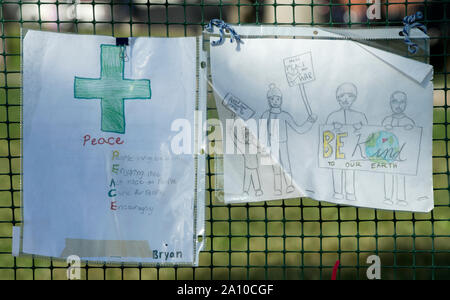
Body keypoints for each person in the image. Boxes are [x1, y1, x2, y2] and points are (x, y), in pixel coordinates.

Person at [261, 83, 317, 195]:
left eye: (277, 98)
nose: (275, 101)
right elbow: (262, 132)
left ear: (281, 100)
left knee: (286, 165)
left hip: (283, 143)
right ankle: (277, 188)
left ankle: (290, 185)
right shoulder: (266, 115)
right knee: (274, 165)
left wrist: (309, 122)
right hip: (271, 144)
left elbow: (299, 129)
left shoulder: (285, 115)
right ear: (268, 101)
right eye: (272, 99)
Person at [326, 82, 368, 201]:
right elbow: (325, 136)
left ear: (354, 98)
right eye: (342, 96)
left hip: (353, 152)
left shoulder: (360, 116)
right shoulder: (332, 116)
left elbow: (367, 136)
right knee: (337, 170)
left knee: (351, 170)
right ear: (337, 98)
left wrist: (359, 130)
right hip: (336, 152)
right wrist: (334, 129)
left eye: (349, 96)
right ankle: (338, 192)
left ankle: (350, 192)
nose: (345, 99)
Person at [381, 91, 415, 206]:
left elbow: (413, 140)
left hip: (402, 156)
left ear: (406, 104)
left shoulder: (408, 121)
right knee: (388, 175)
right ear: (390, 103)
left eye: (402, 102)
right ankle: (387, 197)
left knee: (401, 176)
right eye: (395, 101)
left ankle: (401, 198)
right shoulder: (386, 121)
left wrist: (410, 130)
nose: (398, 105)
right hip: (388, 155)